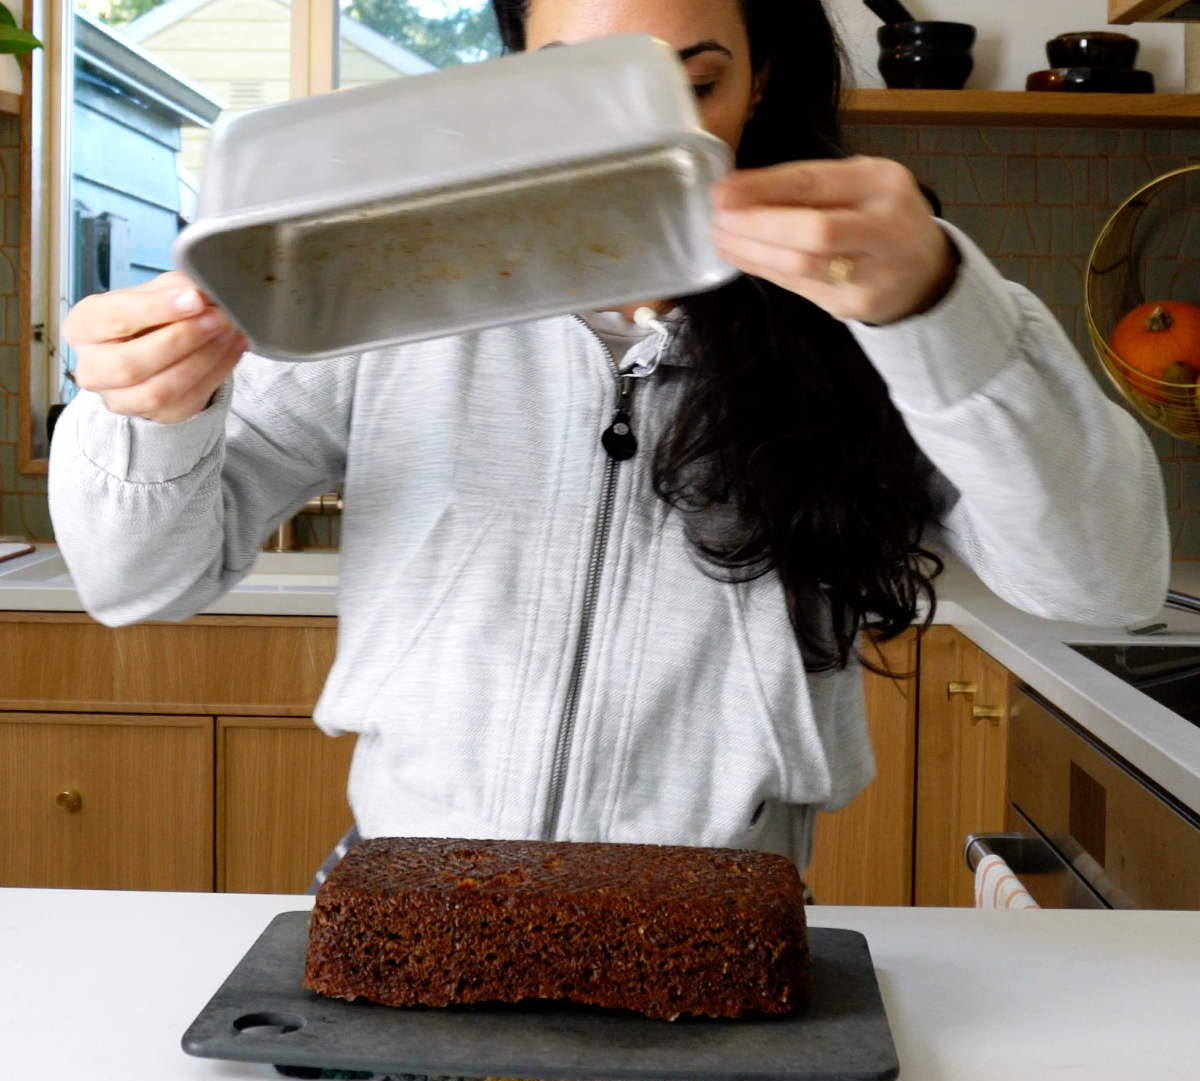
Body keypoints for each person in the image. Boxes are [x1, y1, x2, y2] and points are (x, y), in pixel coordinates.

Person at [49, 0, 1168, 875]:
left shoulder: (880, 288)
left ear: (760, 75)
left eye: (694, 84)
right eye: (577, 86)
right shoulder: (384, 280)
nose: (641, 139)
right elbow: (139, 581)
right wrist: (150, 408)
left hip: (716, 927)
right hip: (412, 901)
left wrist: (940, 309)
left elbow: (1102, 582)